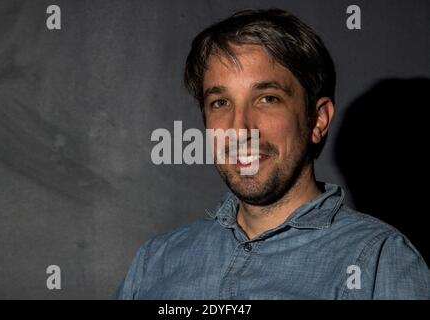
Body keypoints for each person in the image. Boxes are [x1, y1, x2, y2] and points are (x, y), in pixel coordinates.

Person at [116, 9, 430, 299]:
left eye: (267, 98)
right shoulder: (155, 261)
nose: (240, 129)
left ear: (317, 120)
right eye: (220, 103)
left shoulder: (380, 260)